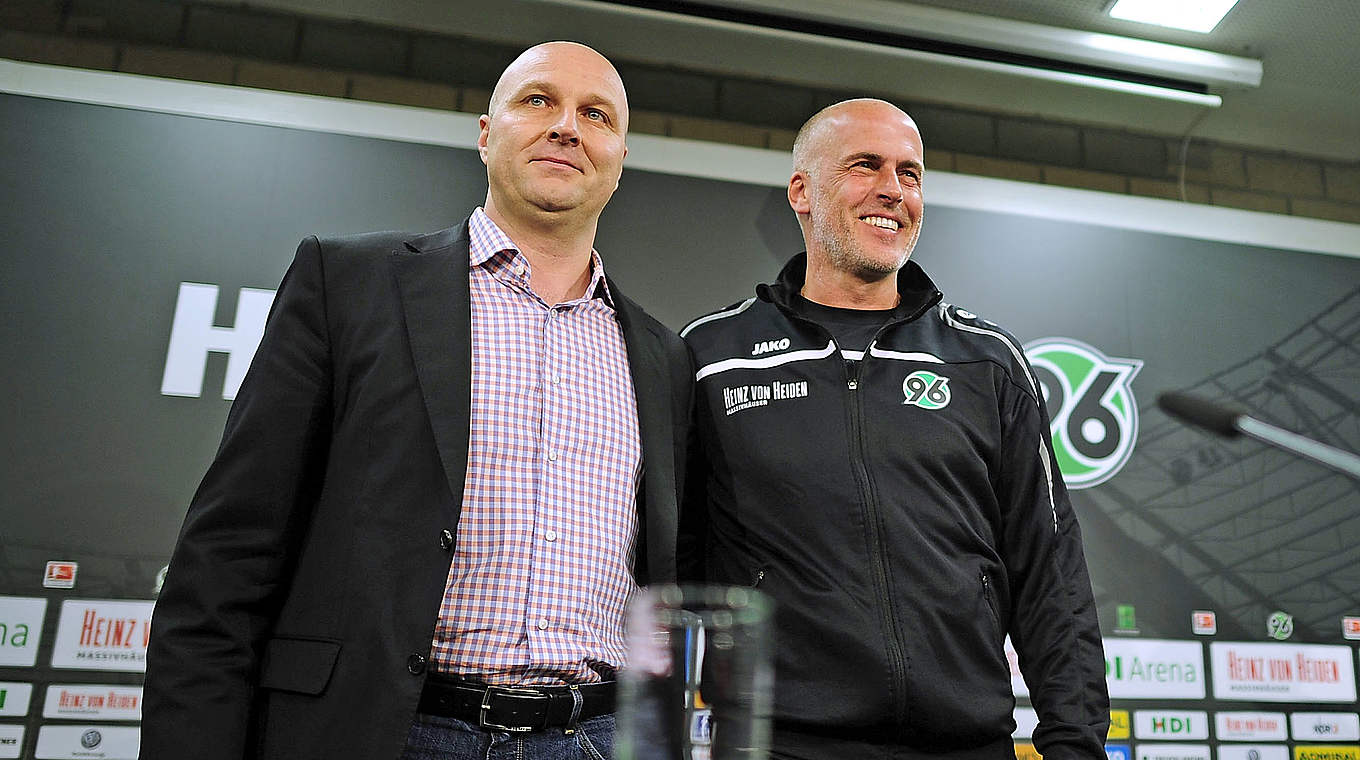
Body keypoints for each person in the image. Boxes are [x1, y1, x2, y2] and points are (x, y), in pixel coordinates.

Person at [141, 41, 693, 760]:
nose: (566, 127)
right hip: (385, 732)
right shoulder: (346, 285)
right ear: (486, 134)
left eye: (595, 114)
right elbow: (227, 558)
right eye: (538, 101)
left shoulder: (664, 356)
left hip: (594, 738)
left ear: (618, 160)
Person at [680, 99, 1109, 760]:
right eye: (865, 166)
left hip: (966, 747)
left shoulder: (987, 360)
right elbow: (661, 568)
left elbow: (1050, 574)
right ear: (802, 191)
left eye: (910, 174)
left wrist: (1075, 746)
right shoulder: (711, 357)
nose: (893, 189)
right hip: (778, 746)